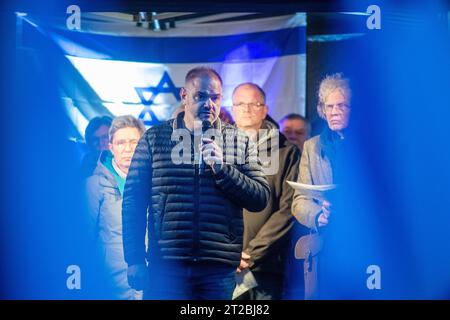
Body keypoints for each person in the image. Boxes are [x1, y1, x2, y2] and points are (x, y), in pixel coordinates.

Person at [122, 67, 270, 300]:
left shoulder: (239, 141)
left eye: (215, 97)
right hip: (166, 266)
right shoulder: (154, 138)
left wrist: (223, 170)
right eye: (200, 96)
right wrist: (135, 259)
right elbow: (133, 202)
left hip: (217, 269)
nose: (208, 104)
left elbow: (260, 198)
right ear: (184, 96)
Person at [231, 83, 300, 300]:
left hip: (266, 268)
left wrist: (251, 254)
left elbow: (288, 210)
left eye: (254, 103)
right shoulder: (215, 149)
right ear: (232, 109)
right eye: (240, 103)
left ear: (265, 109)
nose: (247, 109)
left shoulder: (286, 153)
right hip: (222, 265)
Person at [291, 73, 351, 299]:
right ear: (322, 110)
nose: (334, 111)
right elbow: (298, 201)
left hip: (365, 243)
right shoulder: (311, 147)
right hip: (325, 246)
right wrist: (318, 215)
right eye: (329, 106)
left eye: (342, 105)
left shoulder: (372, 145)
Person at [85, 115, 146, 300]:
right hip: (112, 287)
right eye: (120, 143)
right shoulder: (93, 185)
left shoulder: (157, 183)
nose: (127, 149)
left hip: (152, 285)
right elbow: (82, 238)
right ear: (111, 147)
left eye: (133, 142)